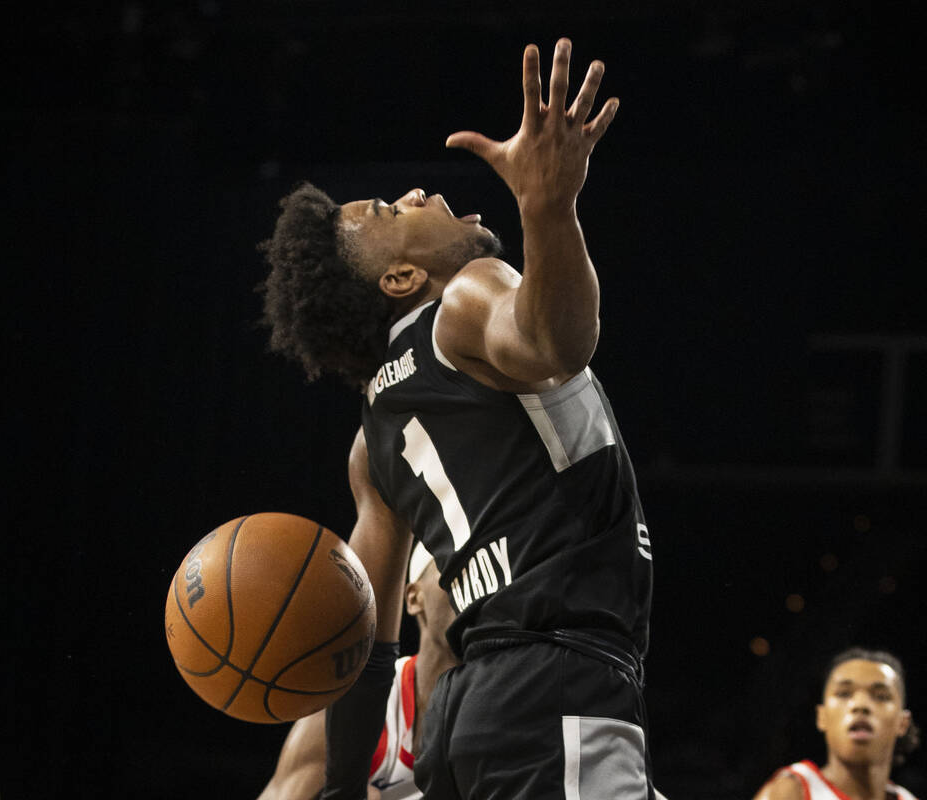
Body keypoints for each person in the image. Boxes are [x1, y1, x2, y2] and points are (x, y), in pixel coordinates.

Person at [260, 37, 655, 799]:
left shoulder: (371, 444)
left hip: (461, 723)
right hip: (556, 687)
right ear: (403, 277)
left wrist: (343, 790)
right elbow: (555, 341)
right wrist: (550, 210)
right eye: (387, 212)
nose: (414, 194)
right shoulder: (466, 298)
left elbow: (362, 646)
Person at [259, 544, 458, 800]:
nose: (471, 590)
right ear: (413, 597)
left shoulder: (508, 703)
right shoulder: (346, 712)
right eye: (453, 573)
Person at [753, 647, 921, 800]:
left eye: (880, 696)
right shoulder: (790, 792)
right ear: (822, 716)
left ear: (902, 723)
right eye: (844, 693)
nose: (860, 705)